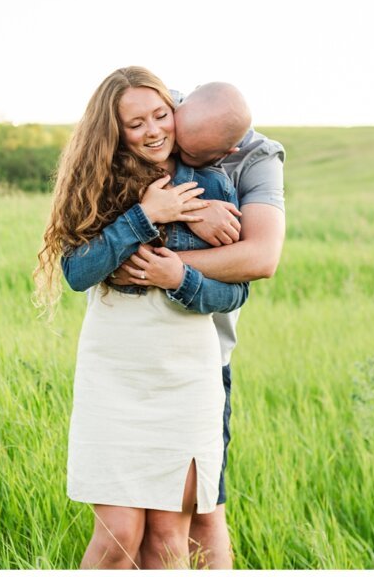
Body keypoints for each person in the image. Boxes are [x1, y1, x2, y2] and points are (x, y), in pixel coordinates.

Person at [33, 67, 251, 569]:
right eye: (136, 124)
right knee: (118, 536)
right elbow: (77, 271)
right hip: (117, 371)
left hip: (185, 375)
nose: (153, 130)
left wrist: (179, 277)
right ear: (113, 130)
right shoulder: (98, 182)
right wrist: (148, 214)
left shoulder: (211, 182)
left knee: (168, 543)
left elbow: (234, 290)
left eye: (160, 115)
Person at [113, 82, 287, 569]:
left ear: (226, 152)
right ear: (177, 104)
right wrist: (193, 209)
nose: (175, 158)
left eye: (194, 157)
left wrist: (169, 265)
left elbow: (261, 256)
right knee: (130, 520)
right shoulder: (157, 109)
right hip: (130, 356)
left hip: (205, 355)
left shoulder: (257, 157)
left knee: (201, 512)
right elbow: (97, 200)